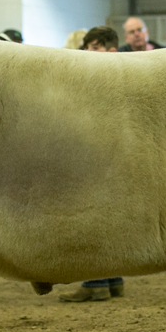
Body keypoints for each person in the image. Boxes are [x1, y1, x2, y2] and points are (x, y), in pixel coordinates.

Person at [58, 25, 124, 302]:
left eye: (95, 47)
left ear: (111, 50)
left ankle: (95, 281)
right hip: (114, 154)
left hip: (99, 154)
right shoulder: (124, 73)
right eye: (87, 46)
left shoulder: (102, 76)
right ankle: (113, 279)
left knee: (93, 216)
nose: (88, 51)